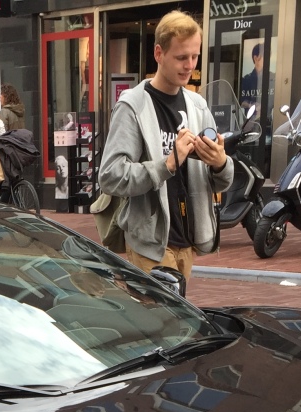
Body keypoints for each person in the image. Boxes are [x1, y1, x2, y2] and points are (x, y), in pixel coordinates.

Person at [98, 9, 232, 291]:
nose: (190, 66)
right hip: (151, 245)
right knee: (156, 327)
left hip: (188, 241)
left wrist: (221, 163)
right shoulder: (133, 105)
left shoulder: (198, 106)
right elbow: (110, 175)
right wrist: (167, 165)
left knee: (179, 327)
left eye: (194, 57)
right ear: (159, 53)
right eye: (181, 57)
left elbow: (219, 180)